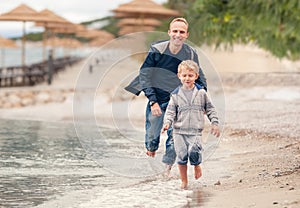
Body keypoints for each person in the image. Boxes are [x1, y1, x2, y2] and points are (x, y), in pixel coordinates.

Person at [125, 17, 207, 174]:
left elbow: (199, 76)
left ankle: (166, 170)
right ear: (169, 32)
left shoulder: (190, 53)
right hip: (157, 97)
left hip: (178, 100)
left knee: (174, 137)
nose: (178, 34)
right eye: (175, 31)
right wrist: (153, 101)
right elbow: (145, 75)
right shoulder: (158, 50)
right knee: (151, 138)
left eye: (181, 32)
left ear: (186, 35)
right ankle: (151, 154)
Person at [162, 60, 220, 189]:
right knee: (182, 156)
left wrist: (214, 123)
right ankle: (184, 181)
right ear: (179, 76)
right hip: (179, 132)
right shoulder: (175, 95)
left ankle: (196, 164)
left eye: (190, 75)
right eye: (184, 75)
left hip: (195, 131)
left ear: (196, 76)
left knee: (194, 151)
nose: (187, 78)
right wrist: (167, 123)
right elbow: (170, 111)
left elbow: (210, 109)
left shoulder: (201, 93)